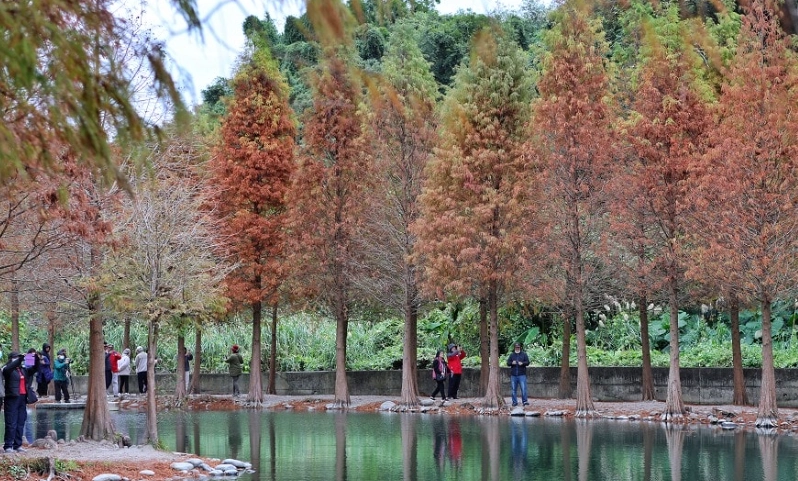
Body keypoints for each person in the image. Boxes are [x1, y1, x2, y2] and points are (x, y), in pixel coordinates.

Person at [2, 350, 37, 452]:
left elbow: (33, 369)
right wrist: (21, 358)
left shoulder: (23, 369)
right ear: (11, 359)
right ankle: (8, 445)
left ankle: (18, 445)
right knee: (11, 422)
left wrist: (36, 359)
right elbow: (11, 367)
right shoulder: (7, 369)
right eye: (16, 358)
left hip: (22, 398)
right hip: (12, 398)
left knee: (21, 421)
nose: (18, 359)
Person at [506, 342, 530, 407]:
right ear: (514, 348)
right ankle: (514, 402)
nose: (517, 348)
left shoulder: (524, 354)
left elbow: (528, 362)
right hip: (513, 375)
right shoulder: (512, 355)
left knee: (523, 389)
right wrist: (512, 363)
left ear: (520, 347)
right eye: (516, 347)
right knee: (513, 390)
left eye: (518, 347)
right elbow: (508, 363)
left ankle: (525, 401)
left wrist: (522, 363)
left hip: (522, 374)